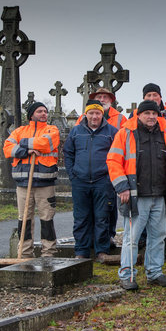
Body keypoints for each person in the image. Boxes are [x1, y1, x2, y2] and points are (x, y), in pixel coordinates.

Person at [107, 100, 166, 290]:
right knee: (131, 238)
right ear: (138, 114)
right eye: (147, 113)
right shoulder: (125, 133)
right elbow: (113, 161)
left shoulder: (164, 134)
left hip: (160, 195)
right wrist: (122, 186)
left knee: (158, 236)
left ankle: (155, 273)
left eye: (154, 113)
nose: (151, 117)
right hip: (136, 196)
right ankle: (127, 275)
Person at [63, 99, 119, 262]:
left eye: (98, 113)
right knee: (81, 217)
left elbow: (116, 155)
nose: (94, 116)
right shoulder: (76, 131)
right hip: (80, 181)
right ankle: (81, 251)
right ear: (85, 114)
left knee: (102, 217)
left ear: (103, 114)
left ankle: (102, 251)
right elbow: (68, 153)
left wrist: (110, 178)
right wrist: (72, 174)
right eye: (91, 113)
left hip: (103, 181)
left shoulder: (112, 132)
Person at [3, 102, 60, 258]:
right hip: (23, 184)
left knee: (47, 219)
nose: (44, 114)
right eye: (40, 111)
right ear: (31, 114)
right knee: (24, 220)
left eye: (45, 111)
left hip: (45, 183)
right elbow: (7, 148)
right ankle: (25, 253)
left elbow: (46, 143)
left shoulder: (52, 130)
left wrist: (23, 142)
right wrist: (26, 151)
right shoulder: (19, 131)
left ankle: (48, 253)